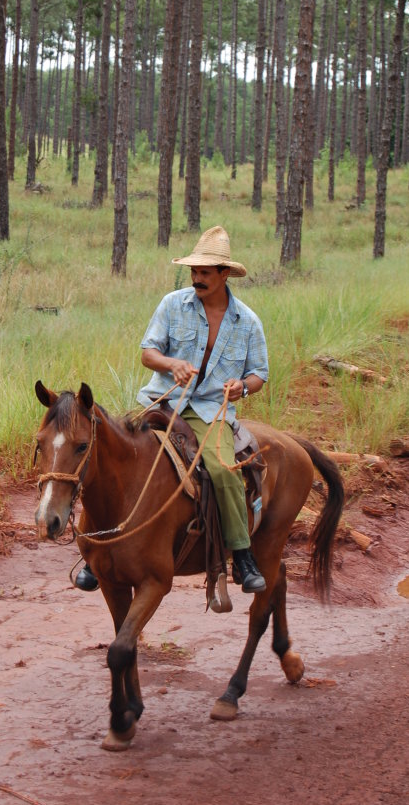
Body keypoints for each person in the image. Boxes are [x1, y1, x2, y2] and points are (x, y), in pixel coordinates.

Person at [75, 225, 268, 593]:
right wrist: (171, 365)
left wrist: (242, 386)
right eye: (195, 271)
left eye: (205, 273)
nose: (197, 278)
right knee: (112, 458)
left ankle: (242, 555)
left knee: (224, 471)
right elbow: (148, 352)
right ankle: (92, 555)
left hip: (211, 410)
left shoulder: (248, 322)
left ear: (224, 274)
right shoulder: (172, 304)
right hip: (161, 401)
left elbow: (260, 373)